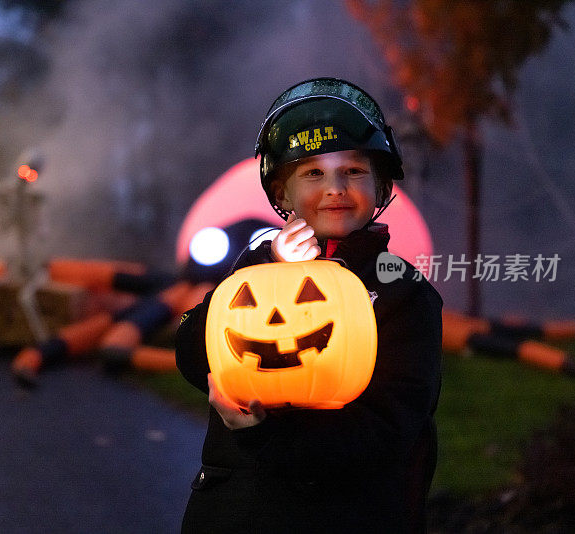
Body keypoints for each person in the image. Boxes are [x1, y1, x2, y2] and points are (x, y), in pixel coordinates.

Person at [175, 78, 442, 533]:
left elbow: (387, 428)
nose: (335, 188)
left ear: (381, 189)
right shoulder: (253, 274)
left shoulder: (404, 294)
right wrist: (264, 268)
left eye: (354, 172)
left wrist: (267, 436)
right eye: (313, 173)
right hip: (237, 511)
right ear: (282, 194)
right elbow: (193, 353)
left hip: (349, 515)